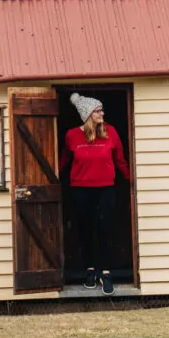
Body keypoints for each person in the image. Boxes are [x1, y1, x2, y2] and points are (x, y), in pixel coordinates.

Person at [60, 93, 130, 295]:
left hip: (106, 188)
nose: (102, 113)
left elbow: (120, 161)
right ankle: (90, 270)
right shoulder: (72, 135)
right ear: (88, 114)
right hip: (80, 189)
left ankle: (106, 273)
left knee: (105, 229)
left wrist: (130, 181)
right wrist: (51, 177)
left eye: (102, 110)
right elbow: (64, 160)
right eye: (98, 111)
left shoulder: (111, 132)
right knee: (85, 230)